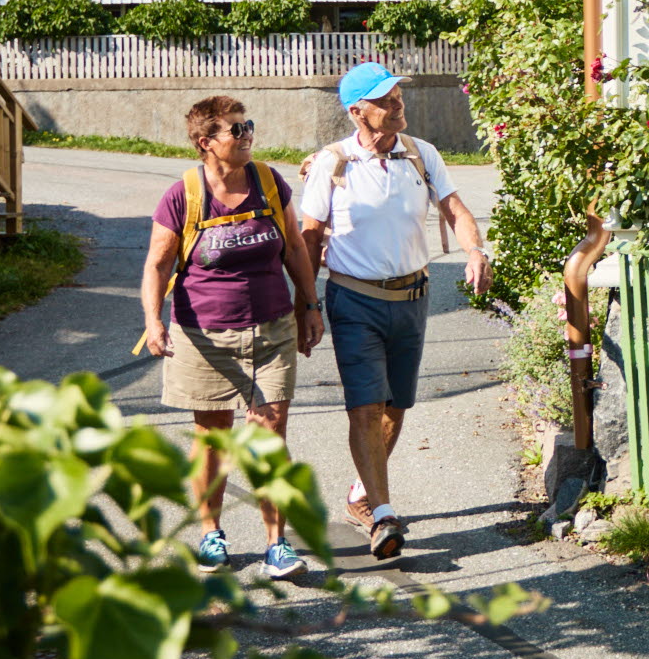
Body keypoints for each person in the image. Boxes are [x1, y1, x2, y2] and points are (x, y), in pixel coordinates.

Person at [299, 59, 490, 561]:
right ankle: (383, 515)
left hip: (412, 300)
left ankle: (361, 495)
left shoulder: (420, 154)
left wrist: (475, 251)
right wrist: (306, 303)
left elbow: (454, 208)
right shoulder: (332, 164)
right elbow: (309, 236)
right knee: (364, 404)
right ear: (357, 111)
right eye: (385, 100)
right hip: (355, 299)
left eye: (397, 96)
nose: (397, 104)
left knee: (395, 407)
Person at [139, 94, 324, 577]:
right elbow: (158, 263)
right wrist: (153, 320)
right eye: (235, 130)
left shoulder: (267, 180)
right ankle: (211, 535)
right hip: (204, 334)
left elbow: (295, 248)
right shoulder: (183, 194)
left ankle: (276, 545)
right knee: (213, 438)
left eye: (248, 127)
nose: (247, 136)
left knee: (269, 434)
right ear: (206, 143)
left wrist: (309, 304)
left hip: (272, 327)